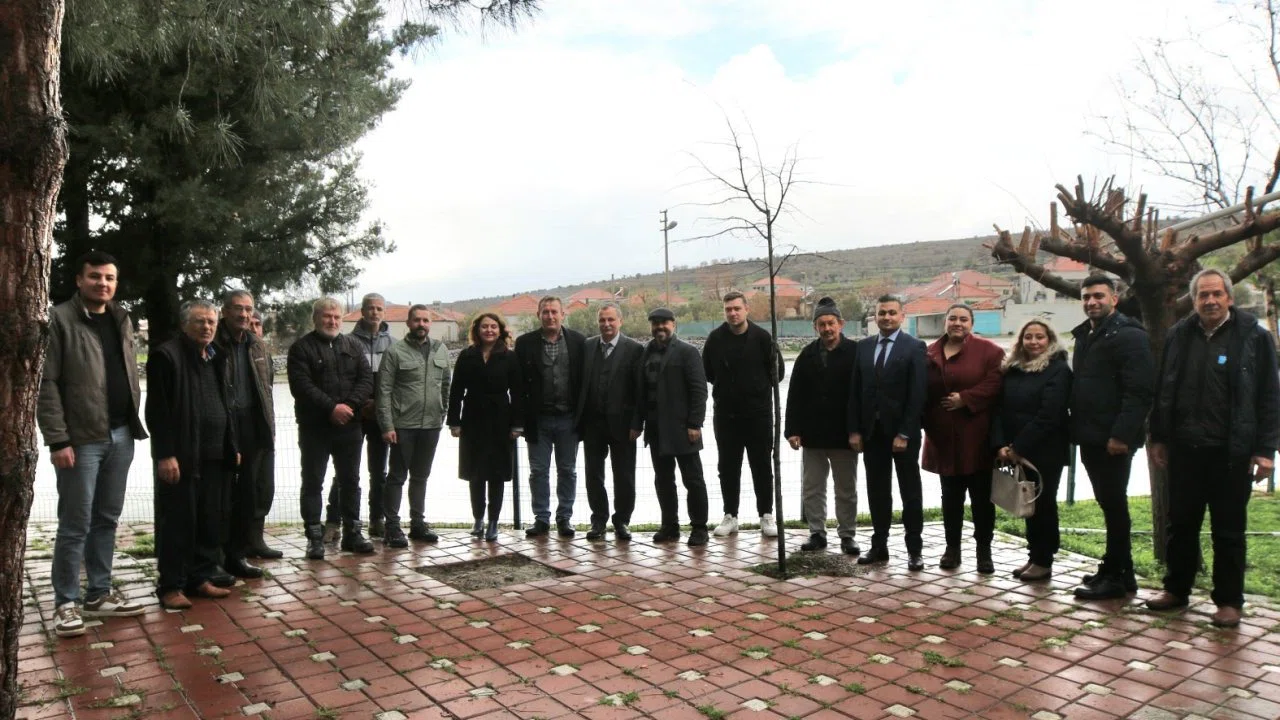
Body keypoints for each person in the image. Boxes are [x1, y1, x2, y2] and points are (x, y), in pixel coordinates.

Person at [1146, 269, 1280, 628]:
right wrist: (1159, 437)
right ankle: (1176, 589)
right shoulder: (1178, 334)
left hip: (1231, 453)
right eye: (1203, 295)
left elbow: (1269, 395)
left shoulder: (1254, 336)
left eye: (1216, 294)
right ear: (1193, 300)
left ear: (1229, 298)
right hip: (1185, 450)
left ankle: (1229, 601)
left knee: (1229, 530)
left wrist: (1266, 450)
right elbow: (1164, 389)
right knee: (1180, 525)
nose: (1210, 301)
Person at [38, 251, 148, 637]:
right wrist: (58, 439)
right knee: (75, 523)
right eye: (95, 276)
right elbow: (46, 383)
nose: (103, 283)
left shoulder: (120, 318)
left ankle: (98, 594)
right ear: (79, 280)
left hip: (121, 435)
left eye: (109, 278)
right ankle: (65, 603)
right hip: (80, 440)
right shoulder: (59, 320)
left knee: (106, 520)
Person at [146, 300, 238, 609]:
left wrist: (231, 446)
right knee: (178, 523)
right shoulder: (166, 356)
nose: (207, 327)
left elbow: (226, 405)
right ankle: (171, 585)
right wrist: (165, 454)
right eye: (199, 321)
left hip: (214, 454)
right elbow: (157, 411)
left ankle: (201, 578)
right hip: (182, 456)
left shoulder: (216, 356)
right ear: (185, 324)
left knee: (209, 520)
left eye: (211, 321)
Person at [1069, 275, 1155, 600]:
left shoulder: (1130, 335)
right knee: (1108, 504)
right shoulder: (1087, 335)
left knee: (1115, 506)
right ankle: (1121, 571)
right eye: (1086, 297)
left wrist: (1121, 435)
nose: (1092, 302)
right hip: (1090, 436)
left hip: (1113, 440)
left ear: (1114, 299)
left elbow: (1140, 391)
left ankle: (1116, 578)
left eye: (1098, 296)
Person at [288, 297, 375, 559]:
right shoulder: (301, 349)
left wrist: (348, 406)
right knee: (313, 481)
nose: (332, 321)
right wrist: (331, 408)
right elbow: (301, 386)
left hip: (350, 426)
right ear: (315, 318)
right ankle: (314, 537)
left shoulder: (353, 346)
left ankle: (352, 533)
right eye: (327, 316)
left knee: (351, 481)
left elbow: (366, 380)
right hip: (314, 428)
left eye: (337, 317)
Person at [922, 304, 1005, 574]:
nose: (957, 323)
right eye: (952, 318)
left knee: (982, 499)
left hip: (978, 438)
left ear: (972, 323)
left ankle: (984, 551)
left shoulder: (990, 351)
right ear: (945, 322)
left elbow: (996, 384)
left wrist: (966, 399)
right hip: (943, 439)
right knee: (950, 498)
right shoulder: (929, 352)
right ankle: (952, 549)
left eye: (963, 319)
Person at [847, 295, 928, 571]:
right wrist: (854, 430)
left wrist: (905, 433)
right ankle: (879, 546)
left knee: (910, 493)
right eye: (882, 313)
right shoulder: (864, 347)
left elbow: (917, 394)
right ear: (875, 316)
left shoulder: (914, 347)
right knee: (878, 492)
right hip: (872, 434)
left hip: (903, 435)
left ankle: (914, 550)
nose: (887, 318)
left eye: (892, 313)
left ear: (902, 316)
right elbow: (855, 391)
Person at [992, 320, 1071, 582]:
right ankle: (1033, 554)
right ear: (1021, 340)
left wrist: (1019, 447)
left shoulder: (1058, 370)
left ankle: (1044, 560)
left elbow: (1050, 415)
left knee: (1043, 504)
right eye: (1028, 337)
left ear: (1050, 340)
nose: (1034, 342)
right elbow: (999, 409)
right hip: (1014, 449)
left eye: (1040, 337)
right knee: (1027, 503)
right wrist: (1001, 444)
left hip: (1045, 450)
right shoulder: (1013, 369)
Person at [703, 291, 784, 539]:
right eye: (728, 309)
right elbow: (708, 373)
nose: (733, 313)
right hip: (726, 416)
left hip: (759, 415)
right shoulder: (715, 339)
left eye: (737, 308)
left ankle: (766, 515)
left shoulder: (763, 338)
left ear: (746, 309)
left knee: (762, 465)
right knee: (728, 467)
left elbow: (777, 373)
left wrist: (755, 389)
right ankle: (730, 515)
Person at [784, 297, 860, 554]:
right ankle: (817, 532)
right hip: (813, 434)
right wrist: (792, 430)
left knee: (846, 489)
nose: (827, 328)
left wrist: (857, 430)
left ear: (841, 324)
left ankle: (847, 534)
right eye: (822, 324)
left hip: (844, 436)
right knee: (813, 488)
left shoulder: (855, 353)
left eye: (831, 323)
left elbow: (861, 395)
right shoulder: (806, 355)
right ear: (815, 327)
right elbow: (795, 395)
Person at [631, 308, 710, 546]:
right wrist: (637, 424)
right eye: (655, 323)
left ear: (673, 324)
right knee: (663, 480)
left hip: (684, 429)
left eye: (664, 322)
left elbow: (699, 390)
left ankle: (699, 528)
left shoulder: (687, 352)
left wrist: (695, 423)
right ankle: (669, 526)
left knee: (693, 480)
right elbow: (640, 393)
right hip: (656, 429)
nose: (659, 327)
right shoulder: (645, 352)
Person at [214, 290, 279, 575]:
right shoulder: (213, 342)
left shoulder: (257, 345)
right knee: (220, 493)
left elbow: (267, 389)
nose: (244, 314)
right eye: (237, 308)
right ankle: (215, 556)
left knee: (249, 493)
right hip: (222, 425)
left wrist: (268, 428)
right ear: (224, 311)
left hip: (252, 424)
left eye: (248, 309)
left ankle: (239, 555)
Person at [377, 304, 451, 547]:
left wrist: (442, 414)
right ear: (408, 323)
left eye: (425, 320)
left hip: (431, 425)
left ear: (430, 324)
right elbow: (384, 391)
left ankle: (418, 524)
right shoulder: (395, 352)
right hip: (402, 425)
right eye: (417, 320)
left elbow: (446, 386)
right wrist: (387, 425)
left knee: (421, 476)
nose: (421, 324)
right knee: (397, 476)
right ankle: (392, 527)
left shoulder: (441, 350)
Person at [514, 296, 586, 538]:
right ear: (538, 315)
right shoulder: (524, 343)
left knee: (568, 470)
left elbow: (585, 382)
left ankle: (564, 518)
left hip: (569, 419)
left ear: (563, 314)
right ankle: (541, 519)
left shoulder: (578, 342)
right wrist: (518, 421)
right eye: (545, 312)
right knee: (538, 471)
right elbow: (518, 386)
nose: (550, 316)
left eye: (554, 312)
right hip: (538, 420)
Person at [448, 313, 524, 542]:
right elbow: (456, 390)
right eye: (484, 327)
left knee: (497, 473)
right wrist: (454, 422)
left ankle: (493, 522)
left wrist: (517, 424)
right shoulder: (466, 356)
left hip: (501, 420)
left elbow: (518, 393)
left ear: (500, 330)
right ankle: (478, 519)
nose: (489, 330)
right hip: (472, 419)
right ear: (477, 330)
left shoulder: (509, 357)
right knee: (475, 473)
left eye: (493, 326)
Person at [575, 303, 643, 542]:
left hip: (624, 425)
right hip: (592, 423)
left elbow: (640, 390)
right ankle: (599, 520)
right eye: (602, 320)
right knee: (593, 475)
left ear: (620, 321)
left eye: (611, 320)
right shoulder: (587, 346)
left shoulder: (634, 349)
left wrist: (637, 423)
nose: (606, 324)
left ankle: (622, 520)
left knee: (624, 475)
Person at [346, 293, 394, 538]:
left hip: (380, 416)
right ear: (362, 311)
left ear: (384, 312)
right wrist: (359, 403)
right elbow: (344, 378)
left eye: (379, 308)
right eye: (370, 308)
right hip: (354, 414)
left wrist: (379, 404)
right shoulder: (348, 341)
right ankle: (339, 521)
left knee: (379, 472)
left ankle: (377, 519)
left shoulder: (394, 343)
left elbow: (396, 381)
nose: (375, 312)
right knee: (347, 471)